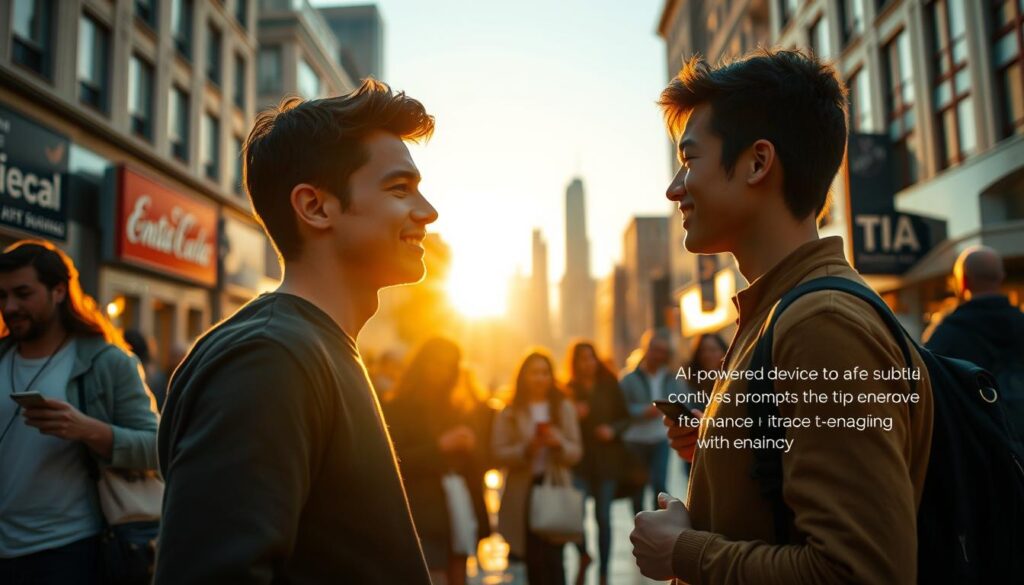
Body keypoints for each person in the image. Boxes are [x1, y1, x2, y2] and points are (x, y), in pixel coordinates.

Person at [630, 49, 934, 583]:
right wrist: (739, 449)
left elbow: (860, 571)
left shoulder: (823, 324)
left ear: (757, 162)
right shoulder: (781, 312)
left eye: (690, 159)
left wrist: (683, 553)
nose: (674, 187)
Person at [155, 80, 438, 583]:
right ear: (314, 207)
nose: (428, 212)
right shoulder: (270, 360)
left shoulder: (308, 348)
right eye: (399, 188)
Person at [0, 240, 158, 584]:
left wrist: (87, 429)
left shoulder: (107, 362)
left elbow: (158, 448)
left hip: (69, 551)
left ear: (59, 291)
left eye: (23, 293)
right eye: (3, 295)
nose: (10, 306)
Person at [383, 337, 490, 585]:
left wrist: (472, 447)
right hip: (422, 512)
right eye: (436, 363)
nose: (441, 371)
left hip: (459, 509)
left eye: (449, 365)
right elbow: (394, 461)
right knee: (433, 577)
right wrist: (440, 447)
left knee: (458, 575)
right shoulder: (399, 408)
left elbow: (481, 464)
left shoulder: (459, 407)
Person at [492, 350, 582, 585]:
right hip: (524, 491)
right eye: (534, 373)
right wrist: (526, 449)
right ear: (523, 377)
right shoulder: (510, 411)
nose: (540, 379)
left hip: (554, 486)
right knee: (533, 558)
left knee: (555, 557)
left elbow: (576, 451)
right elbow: (498, 451)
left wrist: (558, 443)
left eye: (545, 373)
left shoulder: (563, 407)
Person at [925, 245, 1024, 439]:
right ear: (1001, 276)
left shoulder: (946, 335)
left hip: (978, 447)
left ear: (963, 281)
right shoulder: (1021, 323)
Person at [565, 341, 630, 585]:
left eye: (591, 357)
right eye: (582, 358)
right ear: (575, 363)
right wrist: (572, 413)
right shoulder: (568, 389)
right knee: (575, 516)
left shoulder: (609, 384)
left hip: (606, 462)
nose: (587, 363)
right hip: (579, 464)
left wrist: (612, 430)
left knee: (603, 517)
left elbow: (625, 418)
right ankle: (584, 556)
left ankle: (604, 574)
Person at [619, 329, 683, 513]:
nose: (658, 355)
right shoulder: (629, 378)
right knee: (637, 489)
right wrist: (643, 411)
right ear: (646, 349)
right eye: (655, 349)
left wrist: (670, 410)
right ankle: (641, 527)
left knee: (660, 486)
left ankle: (660, 528)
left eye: (663, 351)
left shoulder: (671, 377)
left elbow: (683, 401)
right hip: (635, 440)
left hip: (660, 438)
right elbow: (621, 408)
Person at [679, 333, 727, 478]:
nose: (707, 355)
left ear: (724, 352)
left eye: (713, 350)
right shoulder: (689, 381)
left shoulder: (733, 380)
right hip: (695, 449)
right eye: (703, 350)